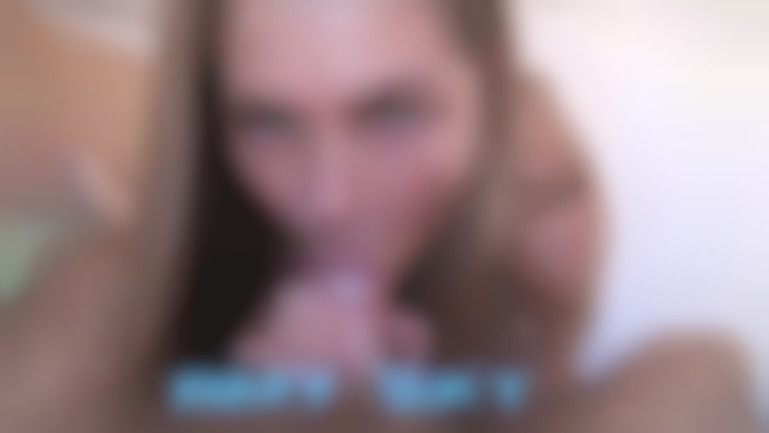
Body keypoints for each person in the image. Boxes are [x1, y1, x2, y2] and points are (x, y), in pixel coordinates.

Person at [0, 0, 756, 432]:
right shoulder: (111, 297)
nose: (327, 200)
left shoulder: (668, 374)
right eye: (268, 121)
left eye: (392, 112)